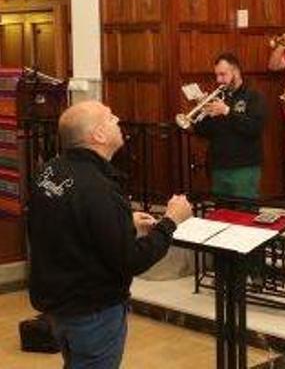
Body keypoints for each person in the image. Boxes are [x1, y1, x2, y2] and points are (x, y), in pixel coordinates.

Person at [28, 101, 193, 368]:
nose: (118, 120)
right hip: (92, 309)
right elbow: (131, 260)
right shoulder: (98, 187)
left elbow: (66, 223)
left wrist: (123, 221)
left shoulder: (51, 170)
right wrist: (171, 221)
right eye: (110, 117)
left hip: (59, 303)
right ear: (98, 135)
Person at [192, 53, 266, 199]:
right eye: (217, 75)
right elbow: (203, 132)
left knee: (245, 215)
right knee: (221, 215)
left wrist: (226, 111)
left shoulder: (254, 96)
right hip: (219, 166)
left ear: (236, 72)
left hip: (244, 167)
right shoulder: (219, 98)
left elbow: (254, 128)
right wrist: (201, 113)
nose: (219, 80)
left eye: (223, 74)